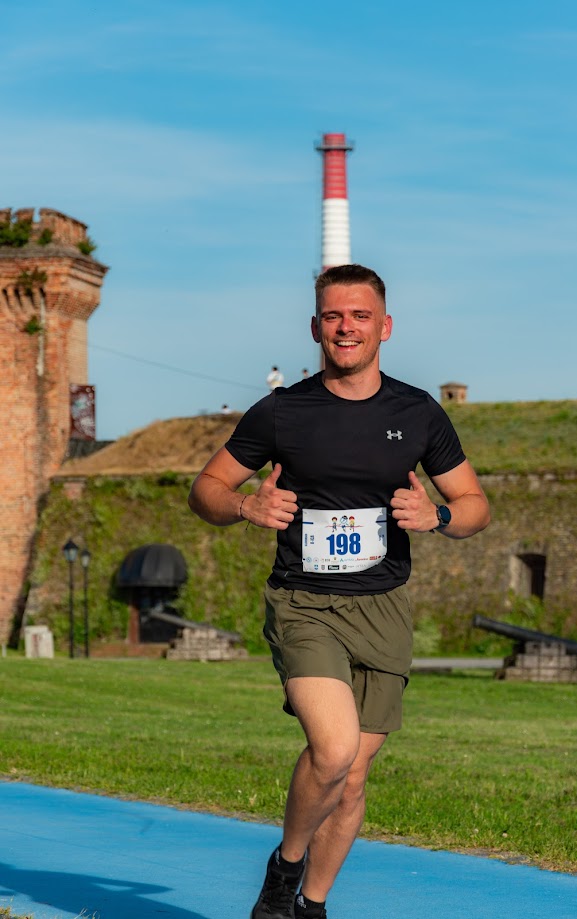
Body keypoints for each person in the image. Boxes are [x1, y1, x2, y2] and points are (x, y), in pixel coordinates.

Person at [188, 264, 490, 919]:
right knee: (333, 749)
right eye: (333, 316)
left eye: (359, 315)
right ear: (315, 327)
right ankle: (284, 870)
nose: (345, 327)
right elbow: (205, 489)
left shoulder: (417, 412)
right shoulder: (282, 412)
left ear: (385, 326)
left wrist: (437, 515)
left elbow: (474, 505)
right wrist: (245, 507)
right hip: (304, 602)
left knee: (351, 777)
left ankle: (312, 905)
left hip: (384, 607)